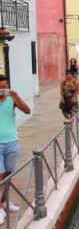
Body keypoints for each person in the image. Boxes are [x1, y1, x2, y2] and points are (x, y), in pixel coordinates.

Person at [0, 75, 31, 223]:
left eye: (4, 87)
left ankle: (4, 202)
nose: (2, 90)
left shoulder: (12, 100)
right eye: (0, 87)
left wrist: (17, 96)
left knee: (7, 176)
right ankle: (0, 209)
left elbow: (27, 111)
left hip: (12, 142)